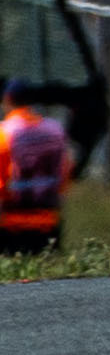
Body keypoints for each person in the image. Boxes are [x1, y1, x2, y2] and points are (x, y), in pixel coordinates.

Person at [0, 79, 69, 255]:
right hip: (49, 221)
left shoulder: (5, 133)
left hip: (13, 225)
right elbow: (64, 173)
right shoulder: (54, 130)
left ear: (7, 100)